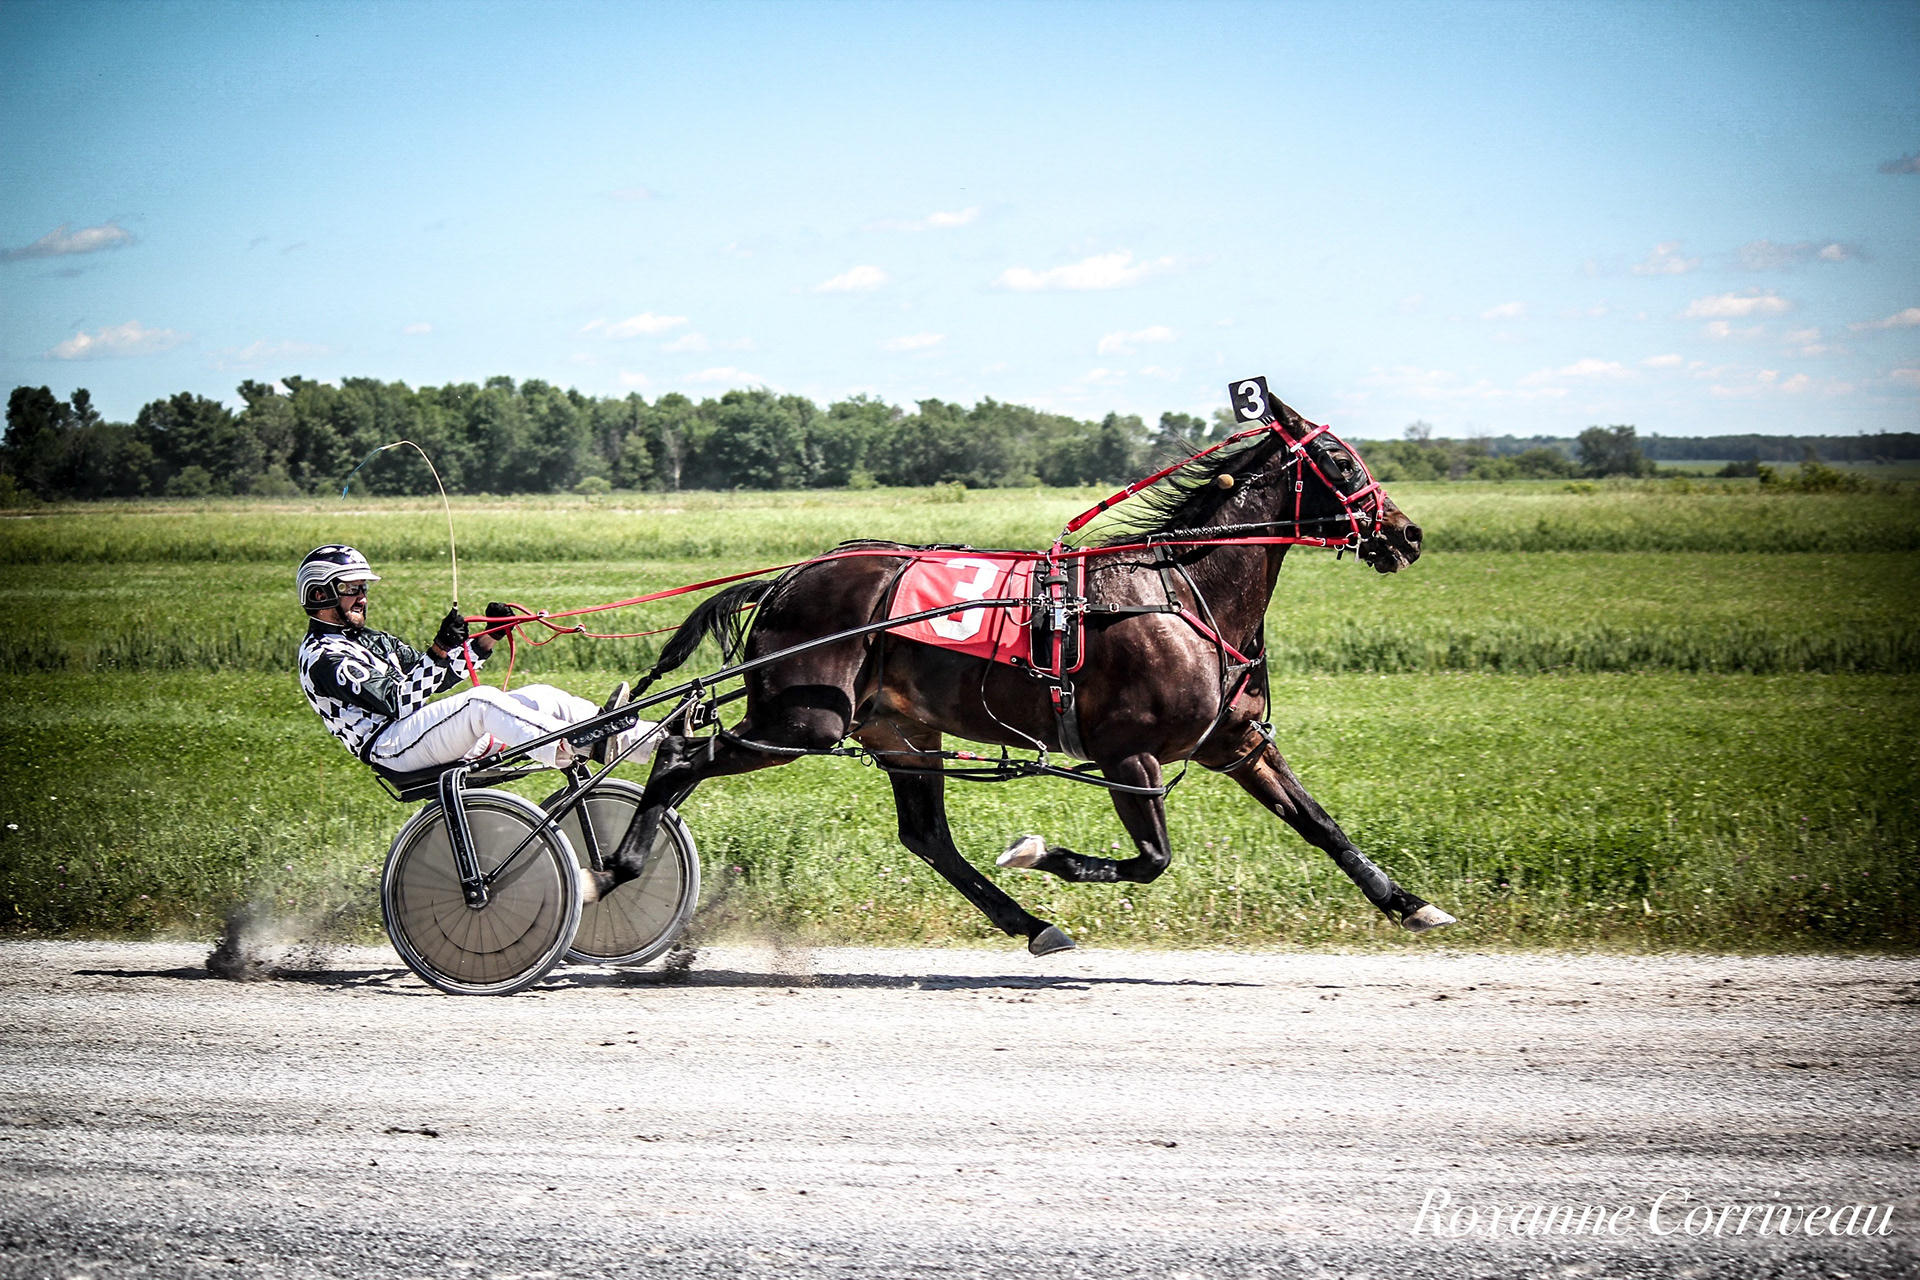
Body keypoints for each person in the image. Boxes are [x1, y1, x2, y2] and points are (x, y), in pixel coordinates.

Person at [295, 544, 654, 775]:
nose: (361, 597)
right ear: (318, 593)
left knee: (544, 696)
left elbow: (434, 676)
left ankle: (653, 739)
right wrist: (437, 651)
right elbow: (398, 702)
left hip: (416, 733)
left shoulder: (371, 640)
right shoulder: (324, 658)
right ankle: (573, 744)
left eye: (363, 588)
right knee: (482, 702)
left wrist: (486, 639)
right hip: (389, 746)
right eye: (349, 588)